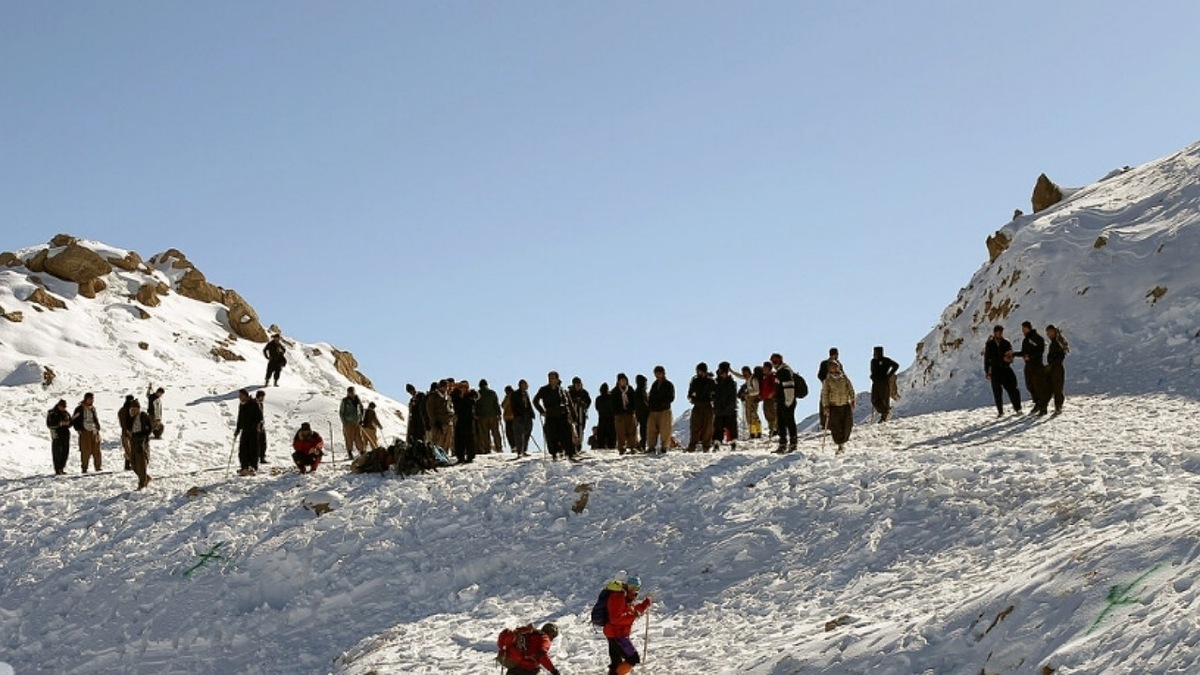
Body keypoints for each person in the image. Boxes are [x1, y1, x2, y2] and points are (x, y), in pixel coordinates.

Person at [603, 576, 653, 675]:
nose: (634, 590)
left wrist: (644, 604)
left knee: (616, 663)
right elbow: (615, 618)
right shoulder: (618, 597)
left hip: (616, 633)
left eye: (637, 588)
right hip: (617, 634)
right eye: (632, 587)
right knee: (633, 658)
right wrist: (633, 616)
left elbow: (631, 611)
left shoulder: (626, 598)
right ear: (627, 585)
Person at [533, 371, 576, 460]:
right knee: (551, 435)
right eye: (550, 378)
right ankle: (554, 454)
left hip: (562, 415)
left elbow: (569, 404)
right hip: (551, 415)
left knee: (566, 434)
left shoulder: (562, 390)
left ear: (557, 379)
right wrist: (542, 411)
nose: (551, 380)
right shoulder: (544, 390)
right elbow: (535, 401)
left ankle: (570, 454)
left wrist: (572, 416)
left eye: (553, 378)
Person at [771, 353, 806, 453]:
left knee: (789, 422)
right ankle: (783, 444)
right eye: (772, 361)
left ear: (780, 361)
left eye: (775, 361)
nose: (773, 363)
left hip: (787, 401)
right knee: (781, 423)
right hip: (781, 401)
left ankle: (793, 444)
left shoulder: (785, 371)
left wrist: (788, 402)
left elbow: (789, 388)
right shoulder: (780, 371)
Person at [984, 325, 1022, 417]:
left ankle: (1018, 408)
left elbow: (1010, 354)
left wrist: (1008, 359)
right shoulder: (990, 344)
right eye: (998, 332)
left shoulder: (1006, 343)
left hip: (1005, 369)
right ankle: (1000, 411)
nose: (1000, 333)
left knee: (1012, 389)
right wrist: (987, 371)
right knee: (997, 392)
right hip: (995, 370)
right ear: (995, 333)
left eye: (1001, 332)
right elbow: (987, 358)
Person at [1014, 320, 1050, 416]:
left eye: (1024, 329)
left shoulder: (1037, 338)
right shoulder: (1025, 340)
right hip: (1028, 366)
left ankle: (1043, 407)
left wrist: (1030, 357)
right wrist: (1013, 354)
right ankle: (1037, 403)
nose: (1023, 331)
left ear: (1028, 328)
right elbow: (1023, 352)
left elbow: (1040, 351)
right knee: (1030, 385)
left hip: (1037, 366)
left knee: (1039, 387)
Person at [820, 361, 856, 454]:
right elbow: (825, 394)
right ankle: (840, 444)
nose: (835, 368)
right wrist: (825, 406)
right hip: (834, 406)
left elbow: (850, 389)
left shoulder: (844, 378)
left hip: (845, 404)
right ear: (829, 369)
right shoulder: (827, 381)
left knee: (848, 425)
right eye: (833, 367)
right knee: (836, 426)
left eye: (836, 366)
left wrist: (853, 399)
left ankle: (843, 440)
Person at [645, 366, 675, 454]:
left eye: (659, 373)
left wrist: (664, 403)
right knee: (651, 429)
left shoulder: (668, 384)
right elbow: (651, 396)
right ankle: (651, 446)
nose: (657, 375)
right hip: (653, 410)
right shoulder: (654, 384)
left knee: (665, 430)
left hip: (664, 410)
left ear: (663, 373)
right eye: (656, 373)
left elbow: (671, 397)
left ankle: (664, 446)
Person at [233, 388, 263, 475]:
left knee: (252, 449)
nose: (239, 397)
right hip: (245, 430)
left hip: (253, 431)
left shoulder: (254, 404)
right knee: (243, 450)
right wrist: (237, 429)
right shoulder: (242, 405)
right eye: (239, 395)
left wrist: (257, 426)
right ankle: (244, 467)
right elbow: (240, 418)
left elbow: (259, 417)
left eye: (241, 395)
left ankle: (252, 467)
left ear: (246, 396)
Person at [126, 399, 154, 490]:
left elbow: (149, 428)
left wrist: (143, 437)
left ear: (138, 409)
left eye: (134, 409)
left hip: (141, 442)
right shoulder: (132, 418)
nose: (132, 411)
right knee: (133, 463)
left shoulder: (143, 416)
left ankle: (142, 483)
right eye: (131, 410)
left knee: (141, 463)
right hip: (133, 441)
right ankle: (145, 478)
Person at [72, 392, 102, 473]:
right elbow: (74, 419)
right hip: (85, 431)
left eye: (92, 399)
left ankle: (98, 467)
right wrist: (78, 429)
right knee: (85, 450)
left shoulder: (93, 408)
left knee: (96, 450)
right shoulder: (79, 409)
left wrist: (97, 426)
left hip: (94, 430)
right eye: (90, 399)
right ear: (86, 399)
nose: (91, 400)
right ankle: (84, 468)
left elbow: (95, 418)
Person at [869, 346, 900, 422]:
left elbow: (896, 365)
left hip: (883, 383)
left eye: (876, 352)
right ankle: (885, 412)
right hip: (875, 383)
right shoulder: (873, 361)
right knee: (874, 400)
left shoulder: (886, 360)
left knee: (883, 399)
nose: (874, 354)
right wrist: (872, 377)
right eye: (874, 352)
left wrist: (889, 375)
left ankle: (884, 416)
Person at [450, 381, 478, 464]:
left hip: (468, 419)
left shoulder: (470, 395)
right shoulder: (455, 395)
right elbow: (453, 397)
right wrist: (456, 387)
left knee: (469, 439)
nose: (463, 389)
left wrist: (465, 395)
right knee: (459, 439)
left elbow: (474, 400)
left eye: (465, 387)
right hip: (460, 419)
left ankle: (470, 456)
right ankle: (460, 456)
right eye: (461, 387)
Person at [611, 374, 639, 455]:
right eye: (621, 380)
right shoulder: (615, 391)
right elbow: (613, 404)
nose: (623, 382)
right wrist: (618, 411)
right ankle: (621, 448)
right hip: (619, 415)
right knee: (620, 432)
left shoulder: (630, 390)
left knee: (632, 431)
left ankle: (633, 447)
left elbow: (634, 401)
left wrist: (632, 409)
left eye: (624, 380)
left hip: (630, 414)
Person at [713, 362, 739, 449]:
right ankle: (717, 443)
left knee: (731, 427)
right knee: (718, 427)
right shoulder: (716, 383)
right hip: (719, 409)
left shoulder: (731, 383)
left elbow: (733, 396)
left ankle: (733, 442)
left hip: (729, 409)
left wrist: (729, 406)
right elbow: (714, 395)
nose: (722, 374)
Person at [1046, 324, 1069, 414]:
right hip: (1053, 368)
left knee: (1057, 388)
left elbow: (1061, 356)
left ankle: (1058, 406)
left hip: (1057, 368)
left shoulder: (1058, 342)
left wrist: (1052, 364)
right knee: (1054, 387)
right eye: (1047, 333)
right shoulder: (1053, 342)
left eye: (1050, 332)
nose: (1048, 334)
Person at [475, 379, 503, 454]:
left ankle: (487, 449)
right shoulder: (492, 393)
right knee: (495, 432)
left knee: (485, 433)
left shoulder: (478, 393)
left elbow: (476, 405)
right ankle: (499, 447)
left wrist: (476, 414)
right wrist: (499, 414)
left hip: (482, 416)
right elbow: (496, 404)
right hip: (493, 416)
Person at [735, 365, 762, 439]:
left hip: (753, 399)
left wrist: (747, 393)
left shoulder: (753, 379)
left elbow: (757, 391)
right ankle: (752, 433)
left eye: (744, 372)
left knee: (754, 416)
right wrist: (731, 371)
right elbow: (739, 376)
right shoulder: (748, 379)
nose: (743, 374)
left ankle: (758, 432)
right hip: (748, 399)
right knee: (748, 416)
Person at [510, 379, 536, 456]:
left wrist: (532, 414)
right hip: (519, 416)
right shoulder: (515, 394)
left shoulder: (526, 393)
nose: (525, 387)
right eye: (523, 385)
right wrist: (517, 414)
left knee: (528, 432)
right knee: (519, 434)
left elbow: (529, 404)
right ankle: (519, 451)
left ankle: (524, 449)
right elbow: (513, 405)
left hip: (527, 416)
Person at [339, 386, 366, 460]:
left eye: (352, 392)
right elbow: (341, 412)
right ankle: (350, 452)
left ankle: (362, 451)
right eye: (350, 392)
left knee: (359, 437)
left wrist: (361, 419)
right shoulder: (345, 401)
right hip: (348, 422)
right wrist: (345, 422)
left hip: (357, 422)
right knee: (349, 438)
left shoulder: (358, 400)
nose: (351, 394)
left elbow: (362, 410)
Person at [816, 347, 840, 429]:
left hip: (836, 389)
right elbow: (820, 375)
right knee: (824, 404)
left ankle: (834, 423)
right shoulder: (824, 364)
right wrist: (825, 382)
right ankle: (824, 424)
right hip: (827, 388)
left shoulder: (838, 364)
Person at [47, 398, 72, 475]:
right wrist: (60, 424)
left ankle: (62, 467)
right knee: (57, 452)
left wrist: (68, 423)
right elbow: (50, 424)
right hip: (57, 434)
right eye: (62, 406)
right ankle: (57, 468)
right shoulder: (52, 413)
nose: (63, 408)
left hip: (65, 434)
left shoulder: (66, 413)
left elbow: (71, 421)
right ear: (58, 406)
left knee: (65, 451)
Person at [426, 380, 453, 449]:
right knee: (438, 444)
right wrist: (435, 422)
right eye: (444, 386)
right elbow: (430, 411)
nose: (446, 388)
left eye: (447, 386)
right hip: (438, 424)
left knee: (447, 443)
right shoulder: (433, 397)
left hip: (448, 422)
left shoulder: (448, 397)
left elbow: (451, 407)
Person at [568, 377, 592, 453]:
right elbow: (567, 402)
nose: (578, 385)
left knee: (581, 429)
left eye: (579, 384)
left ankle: (579, 445)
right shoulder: (570, 393)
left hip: (581, 413)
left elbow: (588, 401)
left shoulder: (584, 392)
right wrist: (574, 402)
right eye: (576, 384)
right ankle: (572, 446)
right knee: (572, 429)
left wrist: (584, 404)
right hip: (572, 414)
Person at [759, 361, 777, 437]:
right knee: (767, 414)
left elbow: (775, 385)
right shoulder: (764, 377)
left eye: (765, 368)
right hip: (765, 398)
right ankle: (771, 429)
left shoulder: (772, 376)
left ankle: (776, 429)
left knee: (772, 413)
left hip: (771, 398)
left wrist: (772, 393)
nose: (763, 369)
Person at [633, 374, 650, 452]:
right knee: (643, 430)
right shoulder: (639, 392)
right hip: (642, 413)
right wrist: (648, 408)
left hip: (642, 413)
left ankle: (642, 444)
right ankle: (642, 444)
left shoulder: (642, 392)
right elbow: (642, 403)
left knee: (644, 430)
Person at [118, 394, 135, 471]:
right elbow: (122, 423)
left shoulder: (132, 409)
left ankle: (129, 464)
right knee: (128, 449)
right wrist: (127, 430)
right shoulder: (123, 410)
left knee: (131, 449)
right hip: (126, 432)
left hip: (132, 432)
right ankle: (128, 464)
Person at [255, 390, 269, 463]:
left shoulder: (261, 404)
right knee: (256, 443)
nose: (263, 399)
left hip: (261, 426)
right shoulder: (254, 404)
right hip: (255, 427)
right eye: (262, 397)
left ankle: (262, 457)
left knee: (263, 442)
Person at [501, 385, 517, 451]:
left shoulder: (510, 397)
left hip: (511, 417)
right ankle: (514, 446)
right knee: (512, 433)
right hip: (511, 417)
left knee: (510, 433)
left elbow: (503, 406)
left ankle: (514, 446)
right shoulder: (513, 396)